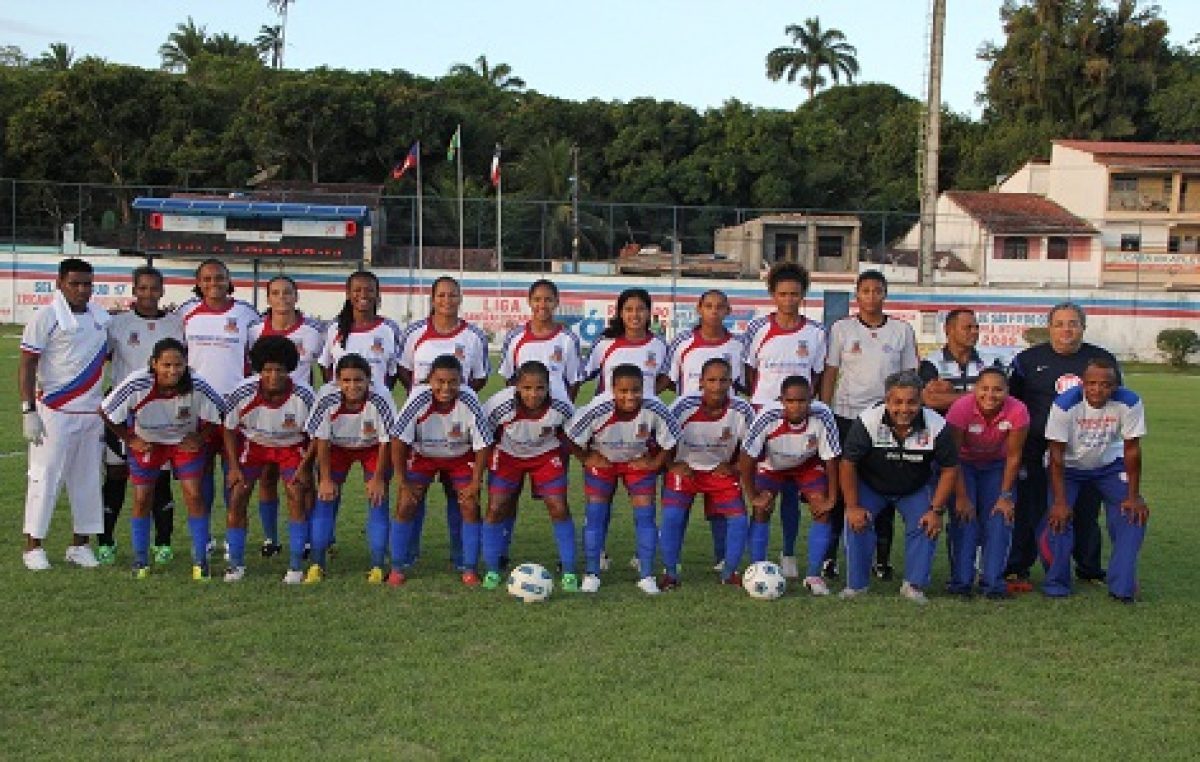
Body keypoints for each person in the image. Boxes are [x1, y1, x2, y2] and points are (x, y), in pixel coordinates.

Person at [1006, 302, 1120, 591]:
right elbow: (1014, 404)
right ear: (1050, 327)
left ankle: (1088, 567)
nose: (1066, 329)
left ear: (1083, 326)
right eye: (1059, 323)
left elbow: (1117, 401)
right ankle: (1018, 566)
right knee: (1030, 510)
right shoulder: (1027, 360)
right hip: (1036, 449)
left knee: (1085, 511)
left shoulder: (1101, 359)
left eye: (1073, 323)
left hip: (1086, 452)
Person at [819, 270, 919, 581]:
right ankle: (830, 558)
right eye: (866, 291)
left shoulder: (902, 330)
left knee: (883, 485)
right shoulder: (841, 329)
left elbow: (911, 379)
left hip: (886, 420)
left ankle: (882, 558)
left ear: (885, 294)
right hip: (847, 417)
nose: (872, 296)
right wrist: (825, 412)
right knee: (840, 487)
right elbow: (831, 373)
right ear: (857, 295)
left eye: (878, 291)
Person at [100, 338, 225, 579]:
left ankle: (200, 561)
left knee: (194, 495)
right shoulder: (138, 382)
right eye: (166, 365)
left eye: (178, 365)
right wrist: (129, 438)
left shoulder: (197, 383)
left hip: (182, 443)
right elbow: (105, 410)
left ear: (186, 364)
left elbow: (221, 410)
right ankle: (140, 561)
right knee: (142, 498)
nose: (173, 371)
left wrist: (201, 437)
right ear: (153, 364)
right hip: (147, 442)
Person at [20, 258, 110, 570]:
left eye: (87, 283)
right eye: (75, 283)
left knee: (86, 480)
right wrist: (28, 410)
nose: (82, 290)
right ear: (60, 283)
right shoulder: (46, 317)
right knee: (45, 479)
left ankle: (80, 545)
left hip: (91, 412)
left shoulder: (101, 317)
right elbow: (27, 364)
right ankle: (33, 546)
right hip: (54, 411)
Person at [839, 370, 958, 604]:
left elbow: (950, 469)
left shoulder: (937, 425)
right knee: (856, 521)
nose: (904, 409)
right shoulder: (867, 421)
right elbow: (848, 464)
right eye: (897, 402)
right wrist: (852, 506)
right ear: (887, 401)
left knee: (927, 524)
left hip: (914, 488)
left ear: (921, 401)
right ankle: (856, 586)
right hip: (872, 485)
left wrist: (936, 511)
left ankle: (913, 585)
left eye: (912, 402)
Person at [397, 276, 490, 571]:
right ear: (433, 298)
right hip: (422, 427)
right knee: (412, 496)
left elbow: (479, 377)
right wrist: (425, 395)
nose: (447, 300)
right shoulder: (414, 333)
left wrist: (454, 397)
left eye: (452, 295)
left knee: (461, 498)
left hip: (458, 430)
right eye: (441, 295)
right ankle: (405, 558)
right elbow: (403, 372)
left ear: (460, 298)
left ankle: (463, 559)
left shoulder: (474, 336)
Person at [742, 262, 827, 580]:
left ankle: (789, 553)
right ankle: (757, 563)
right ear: (772, 296)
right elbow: (751, 372)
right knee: (764, 496)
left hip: (800, 419)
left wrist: (801, 406)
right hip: (765, 420)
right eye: (783, 294)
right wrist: (764, 406)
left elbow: (816, 376)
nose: (789, 300)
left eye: (795, 294)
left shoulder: (816, 332)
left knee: (793, 491)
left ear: (803, 296)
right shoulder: (757, 329)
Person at [566, 363, 680, 595]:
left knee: (645, 515)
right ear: (612, 389)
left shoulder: (655, 408)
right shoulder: (598, 408)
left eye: (636, 390)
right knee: (596, 514)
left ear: (644, 388)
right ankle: (591, 573)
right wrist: (587, 458)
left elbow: (671, 439)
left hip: (636, 462)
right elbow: (570, 437)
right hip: (604, 462)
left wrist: (655, 463)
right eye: (623, 391)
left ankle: (646, 575)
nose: (630, 396)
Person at [1040, 358, 1147, 603]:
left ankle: (1123, 585)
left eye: (1105, 384)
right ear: (1082, 383)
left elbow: (1132, 449)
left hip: (1109, 466)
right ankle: (1057, 583)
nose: (1097, 390)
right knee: (1059, 518)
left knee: (1133, 515)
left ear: (1116, 385)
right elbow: (1056, 454)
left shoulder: (1129, 401)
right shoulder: (1065, 405)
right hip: (1068, 468)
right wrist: (1059, 501)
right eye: (1091, 383)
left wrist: (1133, 495)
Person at [98, 265, 182, 565]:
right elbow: (100, 361)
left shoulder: (176, 323)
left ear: (162, 290)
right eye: (142, 288)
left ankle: (163, 542)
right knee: (117, 475)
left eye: (154, 288)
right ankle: (106, 540)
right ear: (134, 290)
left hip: (160, 411)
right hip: (122, 413)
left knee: (158, 477)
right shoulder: (116, 324)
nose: (148, 294)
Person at [173, 259, 261, 540]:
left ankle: (232, 537)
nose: (214, 284)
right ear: (198, 283)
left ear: (229, 280)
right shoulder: (185, 313)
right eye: (207, 279)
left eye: (220, 278)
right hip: (198, 407)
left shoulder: (246, 313)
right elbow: (176, 357)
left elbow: (258, 358)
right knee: (201, 473)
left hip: (236, 406)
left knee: (235, 473)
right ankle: (206, 537)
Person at [389, 354, 493, 587]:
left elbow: (483, 443)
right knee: (406, 503)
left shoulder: (469, 399)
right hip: (423, 454)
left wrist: (476, 482)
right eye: (440, 381)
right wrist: (402, 481)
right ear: (430, 380)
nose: (446, 387)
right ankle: (397, 566)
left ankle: (468, 566)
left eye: (452, 382)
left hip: (459, 456)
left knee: (469, 504)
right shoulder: (418, 397)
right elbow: (398, 439)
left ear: (461, 381)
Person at [222, 336, 316, 582]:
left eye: (280, 370)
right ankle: (235, 564)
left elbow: (318, 435)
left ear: (289, 370)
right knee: (238, 495)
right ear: (259, 370)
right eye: (267, 370)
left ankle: (295, 566)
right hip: (255, 444)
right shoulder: (242, 391)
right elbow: (229, 430)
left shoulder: (304, 395)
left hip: (291, 445)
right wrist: (232, 467)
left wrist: (306, 467)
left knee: (296, 494)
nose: (273, 376)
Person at [665, 289, 745, 574]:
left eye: (719, 306)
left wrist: (735, 464)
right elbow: (666, 380)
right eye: (708, 306)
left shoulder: (738, 345)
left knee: (722, 511)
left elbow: (749, 385)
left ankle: (725, 562)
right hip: (688, 440)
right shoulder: (681, 343)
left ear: (728, 310)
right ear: (699, 308)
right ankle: (670, 566)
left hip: (722, 439)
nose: (713, 311)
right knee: (676, 511)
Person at [480, 361, 579, 592]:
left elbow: (573, 434)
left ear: (548, 388)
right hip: (507, 455)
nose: (533, 394)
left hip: (546, 455)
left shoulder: (561, 406)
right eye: (526, 388)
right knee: (496, 508)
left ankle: (569, 570)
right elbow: (482, 433)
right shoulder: (500, 404)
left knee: (559, 507)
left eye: (539, 388)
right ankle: (494, 568)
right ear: (516, 387)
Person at [739, 376, 840, 596]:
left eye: (802, 401)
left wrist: (832, 498)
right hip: (772, 465)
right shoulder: (767, 415)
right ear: (781, 400)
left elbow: (831, 459)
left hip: (807, 465)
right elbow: (746, 458)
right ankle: (758, 568)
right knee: (761, 508)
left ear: (811, 400)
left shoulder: (823, 414)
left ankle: (813, 576)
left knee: (822, 510)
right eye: (791, 401)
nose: (796, 406)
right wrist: (753, 496)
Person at [247, 275, 325, 558]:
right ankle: (271, 539)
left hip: (301, 419)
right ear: (268, 298)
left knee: (304, 481)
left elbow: (326, 370)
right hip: (265, 417)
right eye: (276, 293)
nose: (282, 298)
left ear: (296, 296)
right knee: (267, 478)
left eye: (287, 292)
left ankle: (306, 539)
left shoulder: (313, 331)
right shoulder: (254, 331)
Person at [303, 354, 398, 584]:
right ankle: (317, 564)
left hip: (373, 448)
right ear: (337, 380)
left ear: (369, 380)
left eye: (358, 380)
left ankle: (377, 564)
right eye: (346, 380)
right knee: (325, 499)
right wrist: (324, 478)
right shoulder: (326, 396)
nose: (352, 386)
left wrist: (378, 478)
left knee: (377, 500)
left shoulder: (381, 396)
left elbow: (388, 440)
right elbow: (322, 440)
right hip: (336, 448)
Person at [663, 357, 755, 589]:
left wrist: (734, 468)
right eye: (711, 380)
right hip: (686, 471)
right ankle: (670, 573)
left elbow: (753, 448)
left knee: (739, 520)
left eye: (723, 380)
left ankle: (729, 571)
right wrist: (671, 466)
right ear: (701, 382)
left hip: (719, 472)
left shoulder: (742, 409)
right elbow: (659, 437)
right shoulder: (683, 406)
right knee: (672, 518)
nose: (717, 386)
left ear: (731, 383)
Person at [944, 367, 1029, 599]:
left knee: (999, 519)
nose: (990, 395)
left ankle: (993, 584)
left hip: (997, 466)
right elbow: (953, 457)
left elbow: (1014, 456)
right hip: (964, 467)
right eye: (984, 389)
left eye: (997, 390)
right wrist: (961, 497)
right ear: (975, 389)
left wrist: (1005, 496)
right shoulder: (961, 408)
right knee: (965, 519)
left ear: (1008, 391)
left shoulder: (1018, 410)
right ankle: (960, 583)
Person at [497, 279, 584, 402]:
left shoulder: (568, 339)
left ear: (556, 302)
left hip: (557, 413)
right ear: (529, 301)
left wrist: (563, 408)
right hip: (524, 414)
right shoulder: (514, 337)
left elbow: (574, 381)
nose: (542, 305)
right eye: (537, 300)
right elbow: (509, 378)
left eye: (548, 300)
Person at [319, 270, 402, 391]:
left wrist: (382, 393)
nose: (363, 295)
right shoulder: (335, 328)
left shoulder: (390, 329)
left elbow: (393, 371)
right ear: (348, 294)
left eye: (369, 290)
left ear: (377, 294)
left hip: (375, 405)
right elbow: (325, 365)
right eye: (357, 290)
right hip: (342, 404)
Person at [583, 288, 671, 399]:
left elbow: (668, 378)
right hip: (609, 414)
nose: (635, 315)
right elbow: (579, 377)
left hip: (644, 414)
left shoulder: (660, 345)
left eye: (640, 309)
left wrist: (648, 395)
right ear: (620, 313)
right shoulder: (604, 343)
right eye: (629, 309)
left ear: (649, 313)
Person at [917, 309, 993, 413]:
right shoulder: (931, 363)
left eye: (976, 328)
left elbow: (999, 396)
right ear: (949, 330)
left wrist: (951, 395)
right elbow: (930, 400)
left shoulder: (991, 362)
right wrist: (978, 395)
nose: (974, 332)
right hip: (943, 426)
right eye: (968, 328)